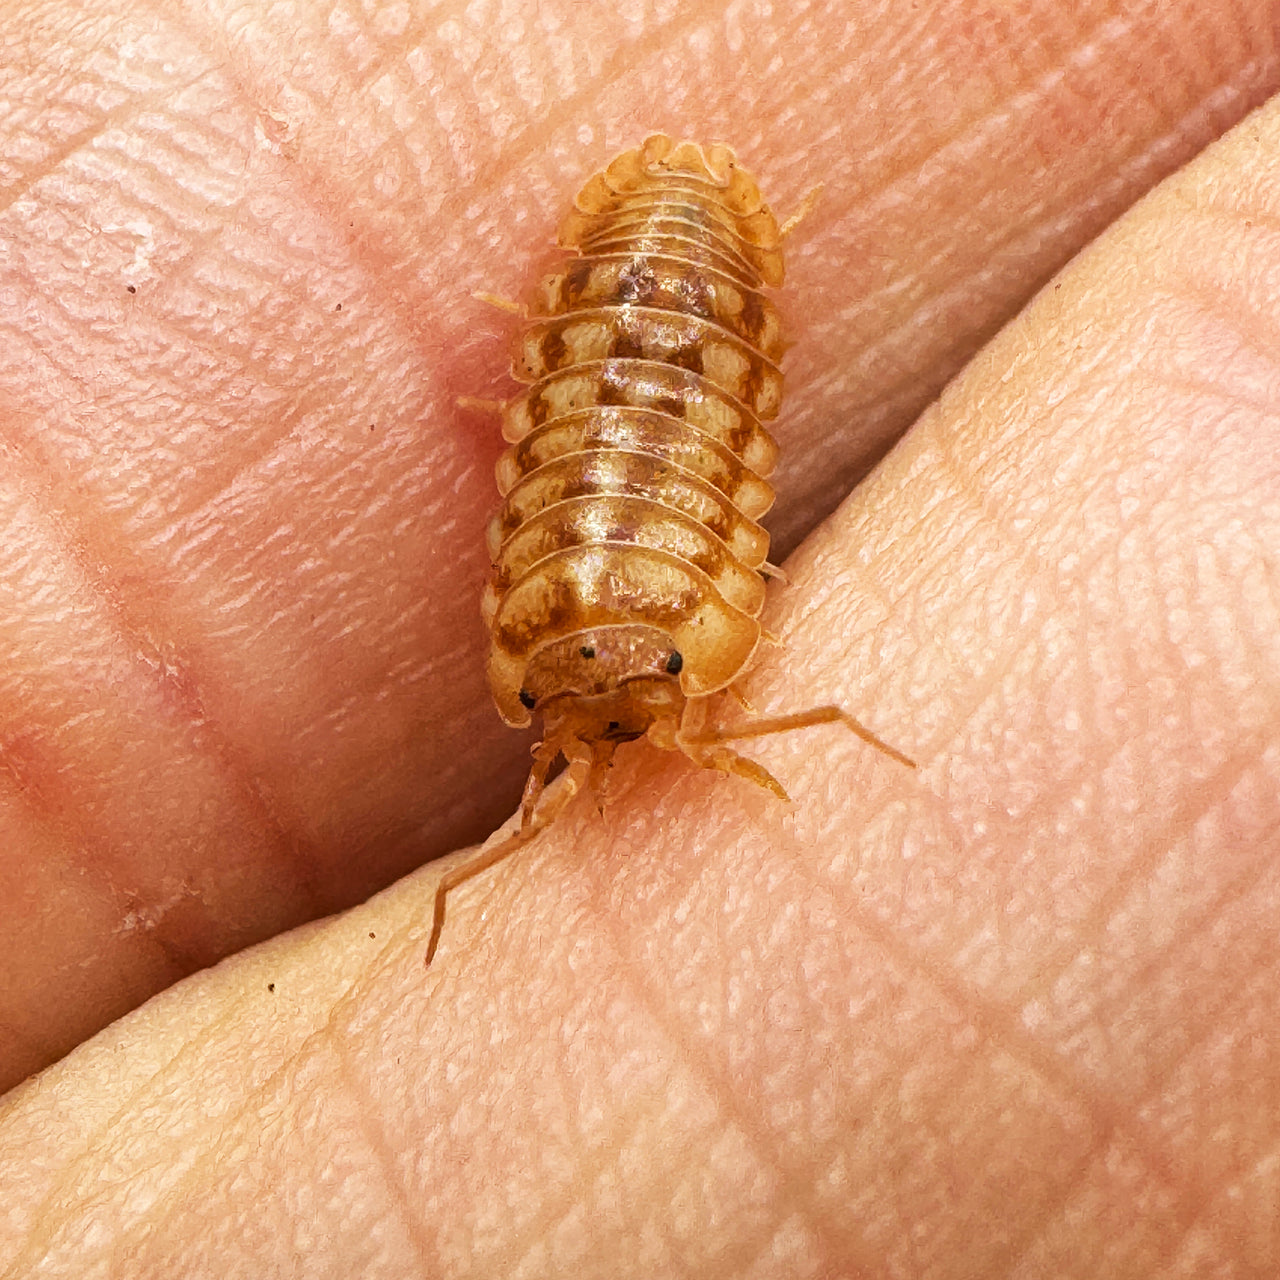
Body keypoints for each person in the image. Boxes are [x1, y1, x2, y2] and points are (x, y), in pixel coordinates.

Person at [2, 5, 1276, 1274]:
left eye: (615, 695)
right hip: (652, 389)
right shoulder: (625, 613)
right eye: (594, 705)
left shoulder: (617, 604)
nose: (613, 726)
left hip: (660, 363)